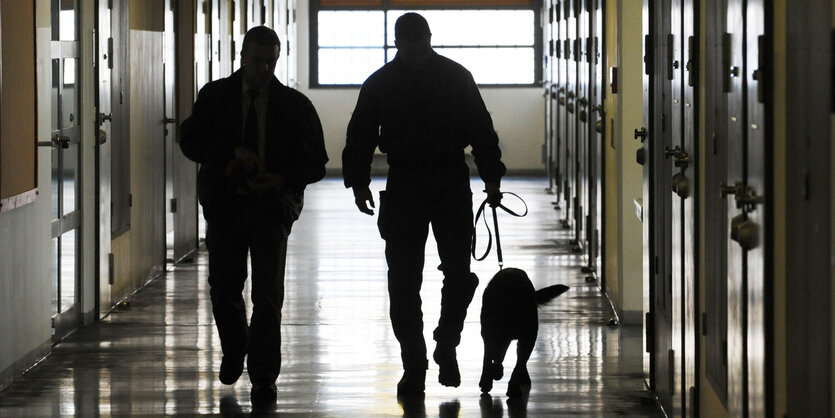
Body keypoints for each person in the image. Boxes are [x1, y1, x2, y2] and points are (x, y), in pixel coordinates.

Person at [342, 12, 506, 396]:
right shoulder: (384, 82)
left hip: (448, 179)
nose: (416, 54)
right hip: (406, 183)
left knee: (459, 274)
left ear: (429, 39)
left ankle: (446, 341)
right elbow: (361, 134)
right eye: (409, 47)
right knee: (403, 280)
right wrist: (358, 181)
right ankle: (414, 363)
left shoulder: (453, 77)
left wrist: (493, 177)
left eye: (420, 46)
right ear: (398, 43)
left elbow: (482, 129)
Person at [179, 26, 328, 405]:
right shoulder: (216, 97)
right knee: (224, 287)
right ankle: (235, 346)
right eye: (258, 60)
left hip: (271, 209)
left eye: (271, 62)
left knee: (267, 296)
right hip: (226, 207)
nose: (263, 69)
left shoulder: (294, 105)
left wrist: (282, 178)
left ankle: (263, 375)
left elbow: (316, 162)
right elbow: (190, 141)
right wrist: (231, 151)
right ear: (243, 56)